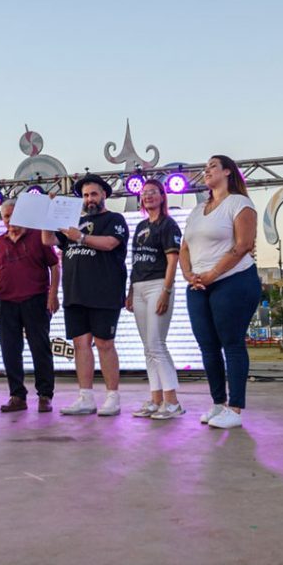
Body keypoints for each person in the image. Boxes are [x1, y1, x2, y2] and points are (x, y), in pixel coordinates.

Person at [180, 155, 261, 429]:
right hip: (199, 285)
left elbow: (243, 245)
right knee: (207, 345)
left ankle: (235, 409)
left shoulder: (240, 203)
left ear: (228, 171)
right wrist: (188, 274)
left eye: (212, 166)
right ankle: (218, 404)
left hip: (233, 281)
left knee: (232, 343)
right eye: (205, 167)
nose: (207, 171)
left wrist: (213, 274)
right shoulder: (197, 210)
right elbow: (184, 248)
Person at [42, 174, 128, 416]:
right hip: (75, 292)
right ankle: (86, 397)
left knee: (104, 344)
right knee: (80, 344)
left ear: (104, 195)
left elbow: (111, 243)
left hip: (104, 292)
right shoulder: (73, 222)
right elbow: (48, 239)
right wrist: (49, 214)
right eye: (86, 195)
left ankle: (113, 397)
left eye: (94, 194)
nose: (89, 199)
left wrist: (80, 237)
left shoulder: (114, 219)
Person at [0, 199, 60, 413]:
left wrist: (52, 295)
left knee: (40, 348)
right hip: (6, 303)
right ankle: (17, 396)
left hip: (35, 300)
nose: (10, 220)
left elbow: (54, 266)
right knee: (10, 350)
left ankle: (45, 395)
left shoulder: (38, 236)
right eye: (6, 216)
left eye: (14, 216)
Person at [126, 179, 185, 420]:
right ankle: (156, 399)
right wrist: (130, 291)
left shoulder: (169, 225)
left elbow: (173, 260)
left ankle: (172, 402)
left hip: (157, 286)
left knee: (157, 344)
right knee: (148, 347)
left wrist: (166, 291)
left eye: (153, 192)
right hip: (138, 287)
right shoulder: (140, 226)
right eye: (144, 193)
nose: (148, 196)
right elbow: (135, 261)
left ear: (162, 196)